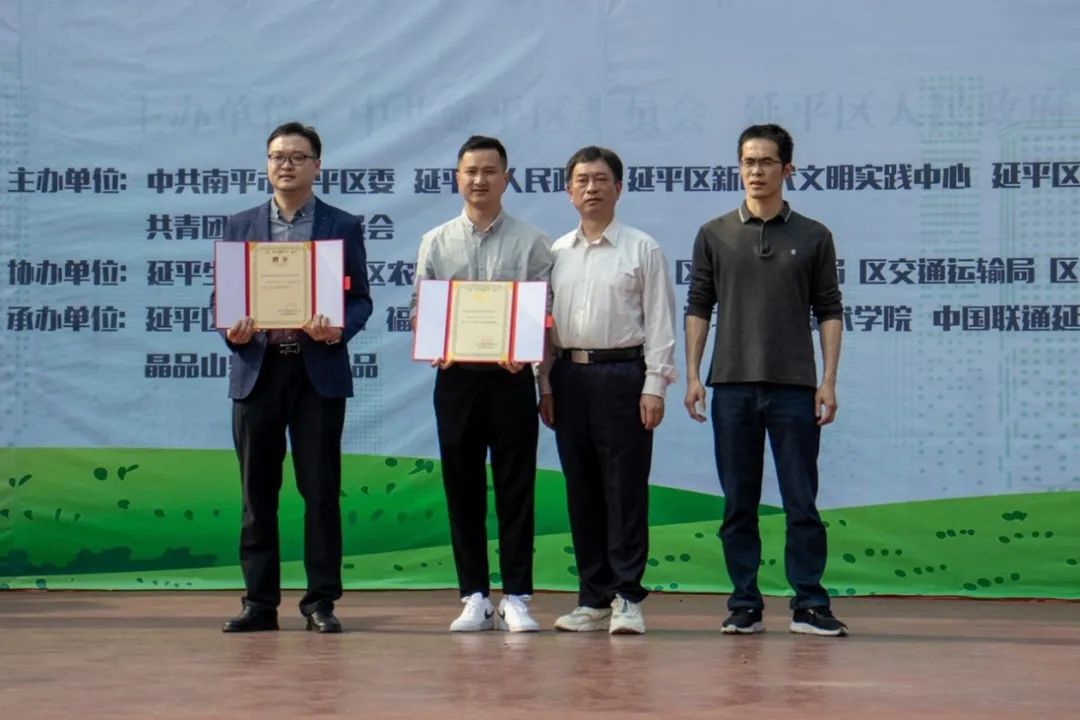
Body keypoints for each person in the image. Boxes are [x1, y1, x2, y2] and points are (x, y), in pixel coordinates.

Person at [683, 123, 848, 637]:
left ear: (787, 169)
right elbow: (698, 306)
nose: (756, 171)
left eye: (766, 162)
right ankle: (744, 603)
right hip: (731, 386)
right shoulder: (714, 233)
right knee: (738, 503)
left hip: (794, 388)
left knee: (801, 501)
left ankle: (810, 603)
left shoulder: (814, 235)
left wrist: (828, 381)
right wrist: (693, 375)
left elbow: (829, 310)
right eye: (748, 162)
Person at [217, 121, 372, 634]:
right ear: (267, 164)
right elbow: (223, 298)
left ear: (317, 166)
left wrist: (338, 329)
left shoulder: (341, 225)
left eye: (297, 157)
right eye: (277, 156)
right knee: (256, 494)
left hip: (316, 372)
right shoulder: (240, 225)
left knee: (320, 491)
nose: (286, 165)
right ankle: (259, 603)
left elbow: (360, 298)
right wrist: (232, 329)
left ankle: (321, 602)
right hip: (257, 371)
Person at [411, 135, 552, 632]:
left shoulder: (532, 242)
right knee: (462, 486)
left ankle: (516, 596)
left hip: (511, 380)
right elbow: (419, 309)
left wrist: (526, 347)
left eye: (490, 171)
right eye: (470, 171)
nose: (479, 180)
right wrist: (433, 338)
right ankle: (473, 594)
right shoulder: (435, 241)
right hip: (456, 380)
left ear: (506, 178)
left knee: (516, 487)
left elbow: (544, 311)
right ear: (457, 178)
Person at [538, 145, 677, 635]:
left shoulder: (642, 249)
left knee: (625, 489)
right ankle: (593, 598)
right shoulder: (554, 253)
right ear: (568, 191)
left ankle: (627, 597)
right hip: (569, 377)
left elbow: (660, 322)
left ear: (618, 187)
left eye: (600, 179)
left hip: (624, 376)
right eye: (582, 180)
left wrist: (655, 385)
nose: (591, 188)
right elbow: (544, 327)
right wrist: (544, 384)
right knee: (582, 490)